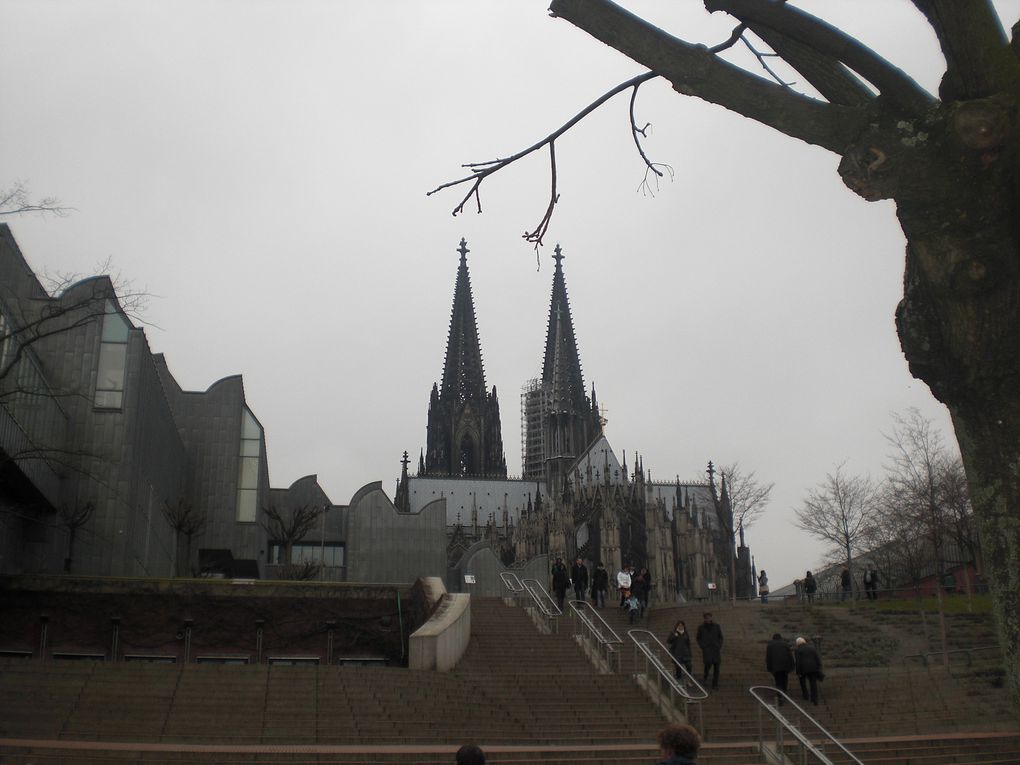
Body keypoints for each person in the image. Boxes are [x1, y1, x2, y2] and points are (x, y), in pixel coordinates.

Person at [695, 612, 723, 689]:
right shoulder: (701, 627)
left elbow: (720, 637)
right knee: (707, 666)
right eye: (706, 618)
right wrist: (703, 646)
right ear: (704, 619)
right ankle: (705, 677)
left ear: (711, 618)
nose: (708, 619)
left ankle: (715, 684)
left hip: (715, 650)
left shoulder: (717, 626)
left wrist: (719, 645)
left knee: (716, 668)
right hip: (707, 650)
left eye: (709, 617)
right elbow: (698, 638)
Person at [765, 632, 795, 703]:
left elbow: (768, 657)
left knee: (778, 682)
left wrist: (769, 668)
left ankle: (780, 696)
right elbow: (790, 656)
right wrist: (792, 666)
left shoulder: (770, 645)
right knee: (785, 680)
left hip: (776, 667)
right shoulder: (785, 644)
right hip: (785, 666)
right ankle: (784, 694)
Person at [795, 636, 823, 706]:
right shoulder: (812, 648)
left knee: (802, 682)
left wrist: (798, 672)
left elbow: (798, 662)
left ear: (797, 643)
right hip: (813, 668)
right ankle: (814, 698)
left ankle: (806, 695)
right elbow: (817, 658)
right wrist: (819, 666)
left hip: (803, 669)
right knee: (813, 683)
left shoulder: (798, 650)